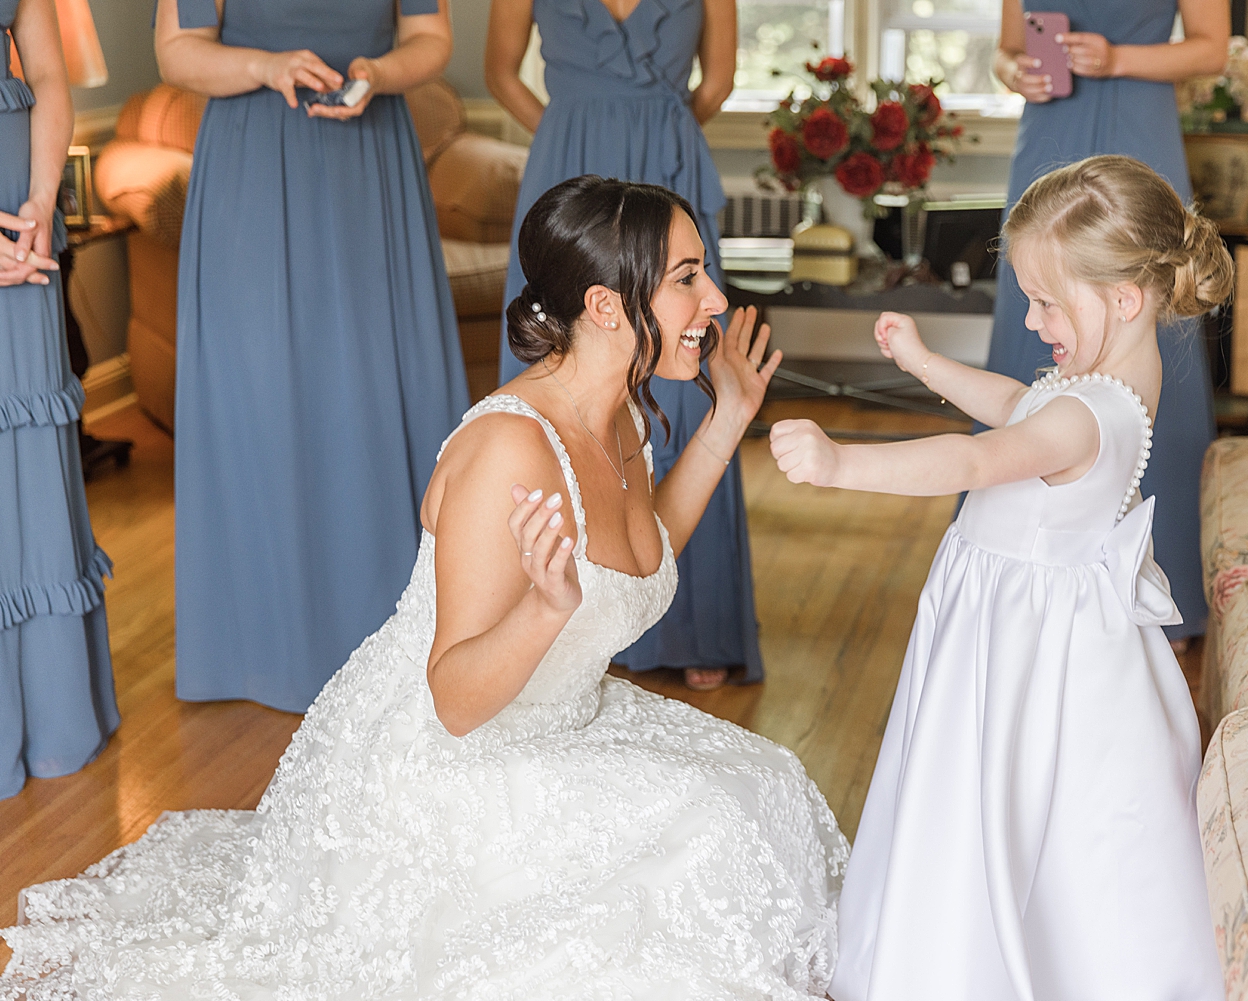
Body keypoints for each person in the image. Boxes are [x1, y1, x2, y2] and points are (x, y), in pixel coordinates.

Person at [0, 176, 848, 999]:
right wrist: (548, 610)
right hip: (452, 760)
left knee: (762, 786)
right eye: (687, 278)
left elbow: (645, 550)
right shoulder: (507, 454)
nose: (715, 301)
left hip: (564, 716)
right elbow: (455, 699)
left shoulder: (622, 411)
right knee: (708, 836)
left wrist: (730, 415)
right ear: (603, 305)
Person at [771, 156, 1230, 1000]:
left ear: (1123, 298)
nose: (1032, 316)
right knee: (1043, 810)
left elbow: (979, 455)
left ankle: (962, 958)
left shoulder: (1086, 416)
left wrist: (842, 463)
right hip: (1047, 626)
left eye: (1047, 301)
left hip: (1021, 644)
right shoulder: (1115, 380)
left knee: (993, 796)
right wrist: (925, 364)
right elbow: (1020, 402)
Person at [155, 0, 471, 713]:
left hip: (369, 160)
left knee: (373, 378)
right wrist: (266, 68)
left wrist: (379, 72)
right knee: (262, 389)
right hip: (253, 160)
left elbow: (431, 37)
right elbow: (177, 52)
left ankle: (401, 635)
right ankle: (262, 645)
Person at [486, 0, 753, 691]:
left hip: (668, 160)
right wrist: (567, 126)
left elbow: (718, 81)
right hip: (568, 156)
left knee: (687, 373)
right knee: (561, 365)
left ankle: (697, 623)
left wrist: (654, 123)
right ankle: (542, 612)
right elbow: (500, 73)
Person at [988, 0, 1229, 644]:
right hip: (1049, 134)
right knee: (1033, 315)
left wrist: (1120, 60)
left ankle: (1161, 585)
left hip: (1138, 128)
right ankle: (1012, 567)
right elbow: (1004, 50)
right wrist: (1016, 74)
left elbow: (1213, 49)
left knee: (1146, 320)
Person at [0, 0, 117, 800]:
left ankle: (48, 715)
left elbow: (46, 72)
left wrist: (41, 208)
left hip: (19, 216)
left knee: (31, 444)